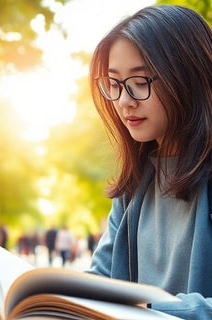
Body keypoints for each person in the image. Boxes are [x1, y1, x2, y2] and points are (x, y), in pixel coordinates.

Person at [88, 4, 212, 320]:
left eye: (140, 81)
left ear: (187, 76)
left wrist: (150, 311)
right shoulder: (133, 187)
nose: (124, 100)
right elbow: (99, 281)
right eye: (114, 84)